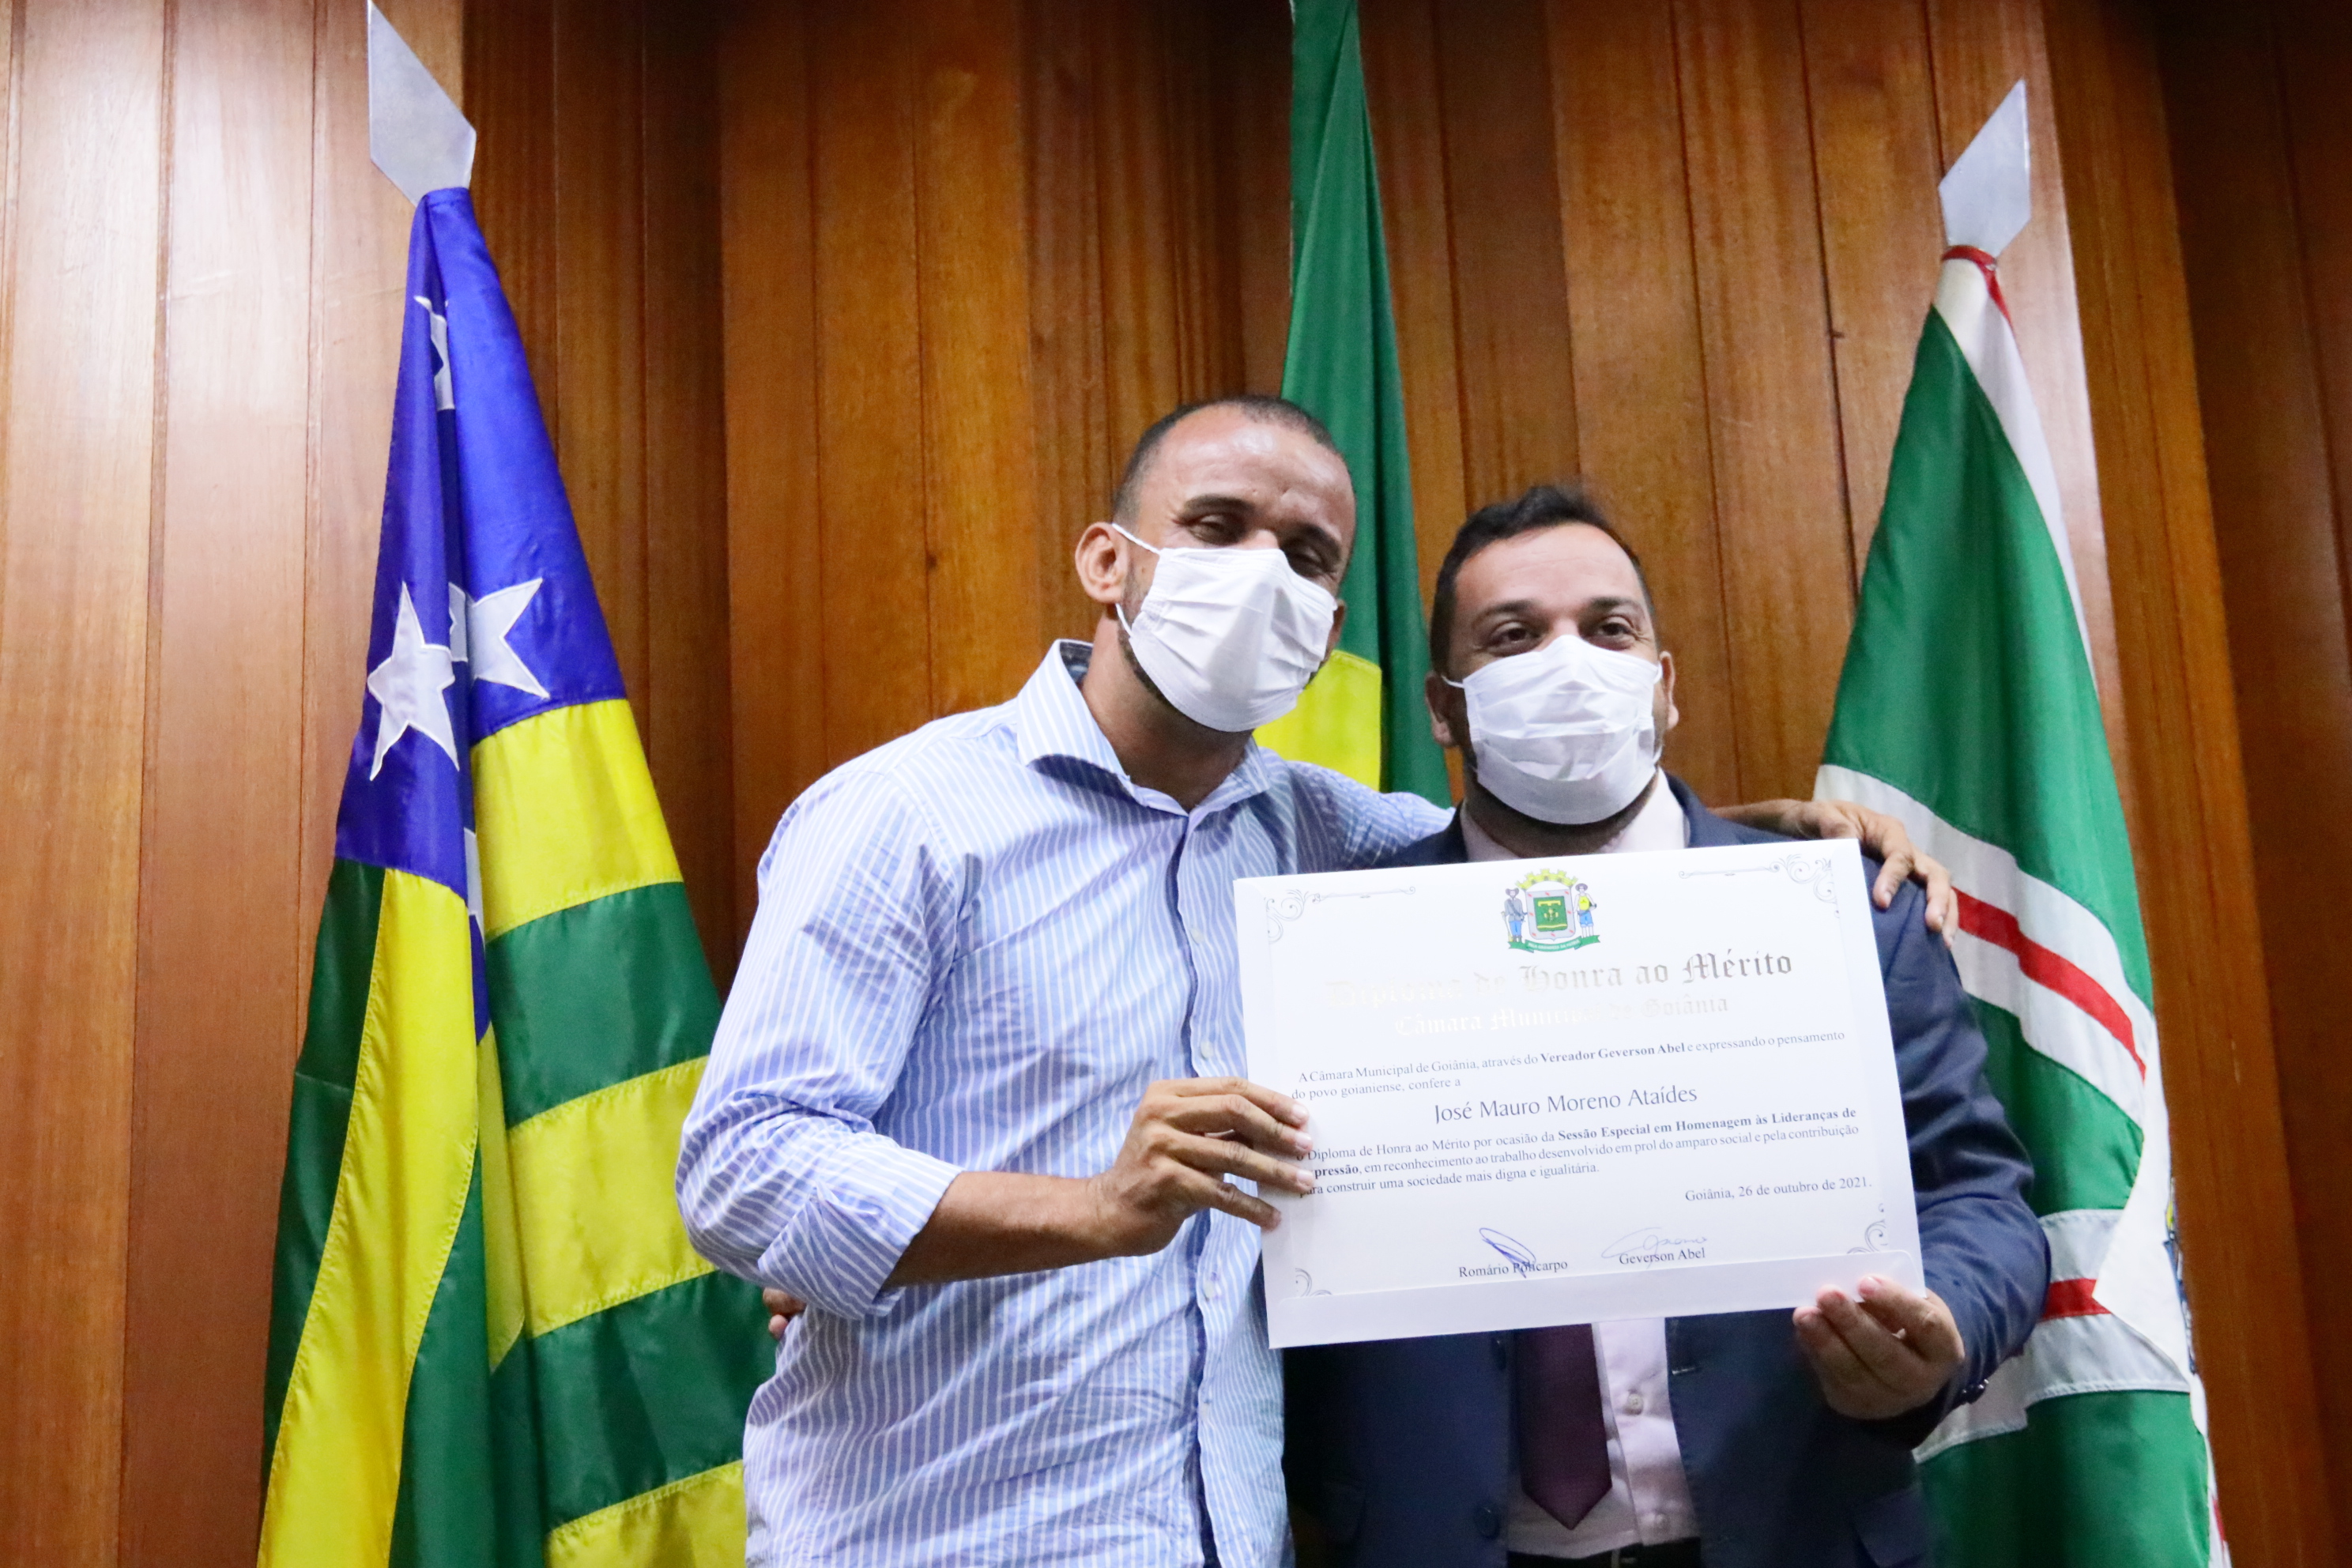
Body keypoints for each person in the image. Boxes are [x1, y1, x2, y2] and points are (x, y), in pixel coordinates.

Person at [684, 398, 1957, 1568]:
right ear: (1108, 562)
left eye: (1306, 556)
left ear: (1330, 630)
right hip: (938, 1532)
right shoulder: (906, 814)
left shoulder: (1330, 839)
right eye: (1216, 526)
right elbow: (742, 1167)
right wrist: (1087, 1210)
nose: (1262, 574)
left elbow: (1544, 861)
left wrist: (1782, 845)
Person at [1283, 484, 2049, 1568]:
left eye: (1608, 629)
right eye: (1513, 637)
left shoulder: (1844, 913)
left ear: (1664, 683)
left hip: (1794, 1534)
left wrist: (1946, 1324)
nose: (1568, 663)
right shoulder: (1338, 942)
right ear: (1444, 709)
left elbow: (1978, 1193)